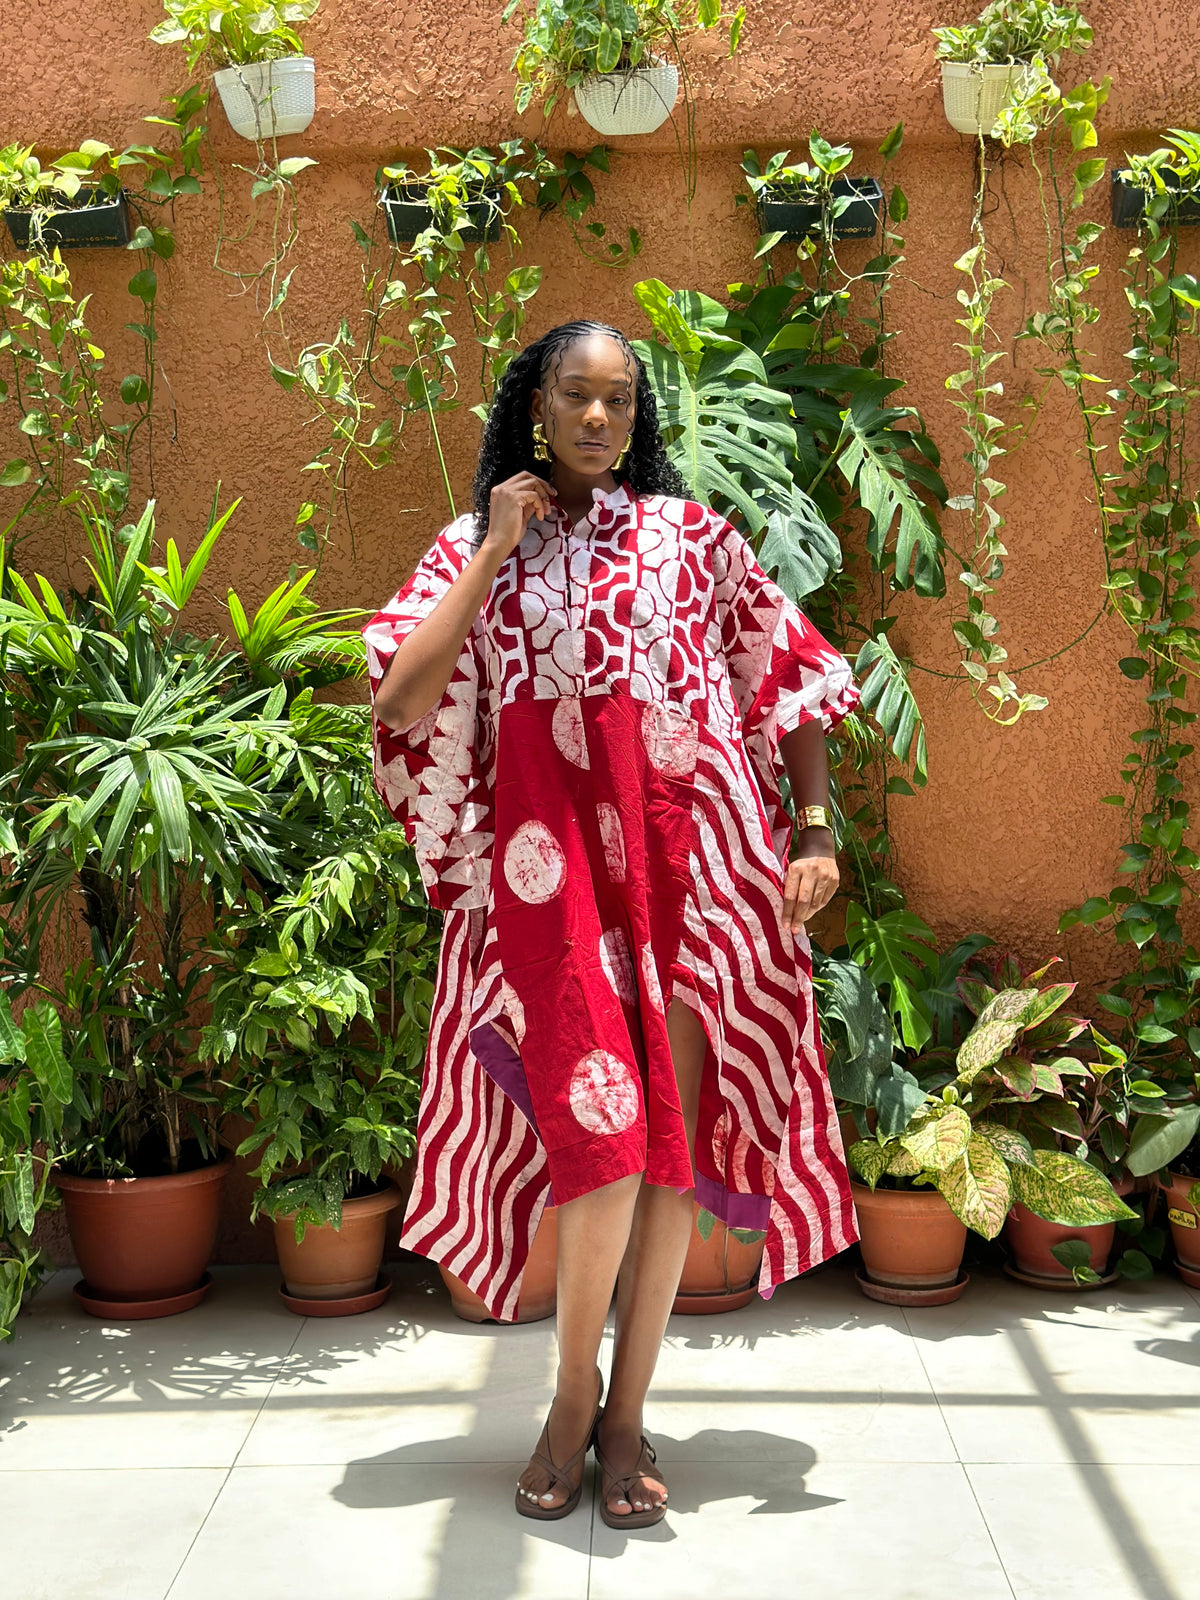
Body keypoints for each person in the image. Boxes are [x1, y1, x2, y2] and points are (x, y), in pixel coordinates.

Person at [364, 319, 859, 1529]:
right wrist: (492, 551)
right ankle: (570, 1404)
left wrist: (811, 825)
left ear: (638, 418)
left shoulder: (691, 539)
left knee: (667, 1155)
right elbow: (401, 697)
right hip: (549, 885)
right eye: (575, 398)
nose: (598, 420)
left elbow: (787, 667)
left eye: (619, 403)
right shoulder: (473, 546)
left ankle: (627, 1407)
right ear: (534, 406)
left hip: (693, 875)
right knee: (597, 1144)